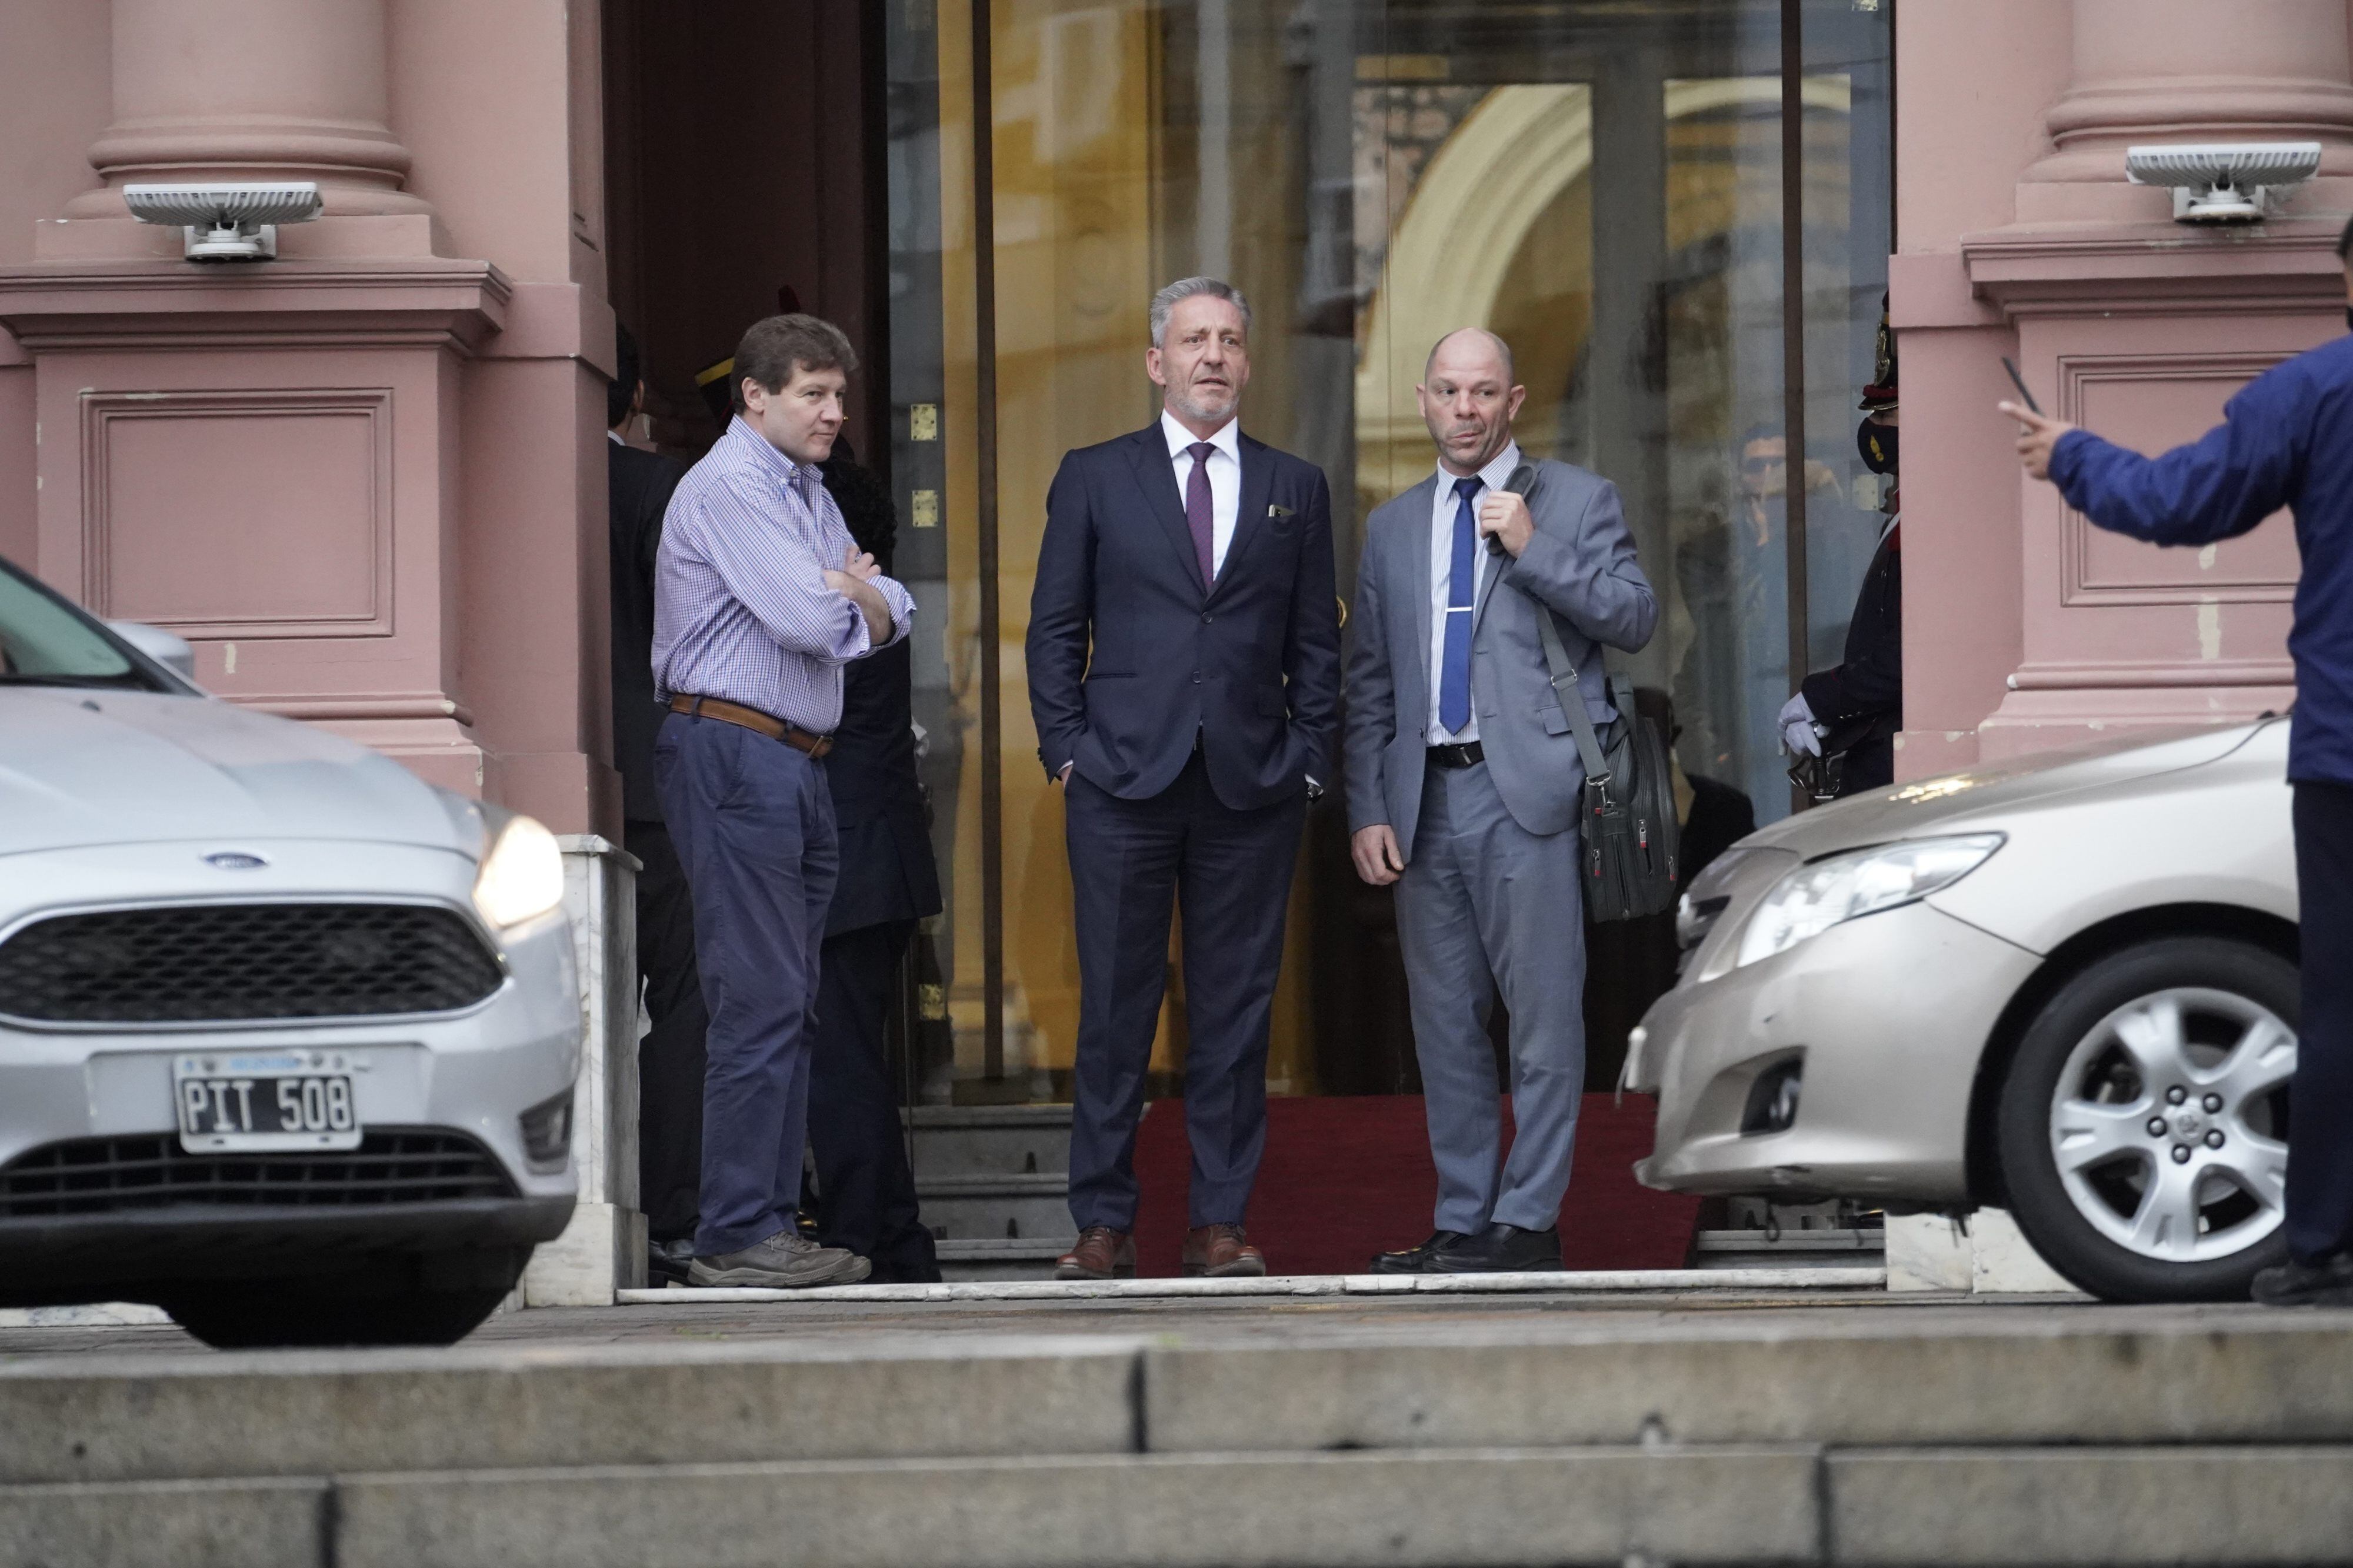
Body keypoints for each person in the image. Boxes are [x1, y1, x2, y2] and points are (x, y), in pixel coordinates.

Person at [2002, 216, 2353, 1306]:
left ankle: (2330, 1244)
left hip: (2347, 755)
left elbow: (2179, 503)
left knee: (2343, 1006)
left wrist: (2070, 453)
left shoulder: (2311, 392)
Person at [1026, 276, 1341, 1279]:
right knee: (1116, 1011)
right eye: (1195, 339)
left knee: (1234, 1015)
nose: (1215, 355)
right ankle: (1103, 1223)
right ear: (1158, 362)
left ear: (1249, 363)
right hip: (1120, 782)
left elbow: (1317, 648)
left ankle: (1219, 1222)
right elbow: (1051, 629)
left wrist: (1309, 760)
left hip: (1250, 790)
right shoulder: (1095, 475)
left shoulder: (1298, 486)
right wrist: (1067, 750)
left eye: (1232, 340)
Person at [1344, 327, 1658, 1273]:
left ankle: (1529, 1218)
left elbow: (1635, 616)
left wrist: (1533, 547)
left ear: (1514, 401)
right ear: (1423, 398)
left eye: (1485, 393)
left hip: (1532, 797)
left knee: (1545, 1022)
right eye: (1449, 391)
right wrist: (1367, 805)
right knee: (1444, 1028)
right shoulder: (1392, 527)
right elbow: (1369, 683)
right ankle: (1465, 1218)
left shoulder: (1576, 499)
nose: (1466, 409)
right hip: (1423, 802)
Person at [651, 312, 915, 1290]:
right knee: (760, 999)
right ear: (754, 397)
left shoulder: (803, 490)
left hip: (793, 758)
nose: (834, 413)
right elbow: (813, 617)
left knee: (787, 1002)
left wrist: (860, 598)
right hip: (737, 748)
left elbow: (893, 616)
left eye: (838, 394)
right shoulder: (729, 486)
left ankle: (758, 1224)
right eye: (814, 393)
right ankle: (737, 1230)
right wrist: (852, 594)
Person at [804, 435, 945, 1284]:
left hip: (853, 864)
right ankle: (894, 1238)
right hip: (875, 863)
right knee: (852, 1059)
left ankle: (862, 1234)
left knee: (841, 1064)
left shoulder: (859, 612)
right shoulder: (873, 603)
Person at [604, 325, 708, 1286]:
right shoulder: (654, 487)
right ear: (634, 391)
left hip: (529, 791)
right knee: (682, 1000)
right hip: (659, 782)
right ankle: (673, 1214)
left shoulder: (507, 478)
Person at [1780, 303, 1903, 797]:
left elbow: (1906, 657)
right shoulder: (1903, 518)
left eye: (1889, 415)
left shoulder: (1933, 528)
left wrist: (1823, 700)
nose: (1877, 431)